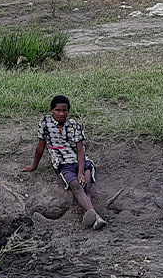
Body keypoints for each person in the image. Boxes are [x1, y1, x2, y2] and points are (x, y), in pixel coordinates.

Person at [22, 94, 107, 229]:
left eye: (64, 110)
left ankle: (92, 216)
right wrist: (33, 166)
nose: (61, 113)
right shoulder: (45, 123)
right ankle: (96, 217)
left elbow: (80, 150)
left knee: (87, 186)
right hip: (63, 163)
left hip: (81, 161)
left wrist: (80, 172)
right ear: (51, 110)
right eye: (58, 110)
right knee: (77, 187)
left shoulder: (74, 124)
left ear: (68, 111)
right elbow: (41, 146)